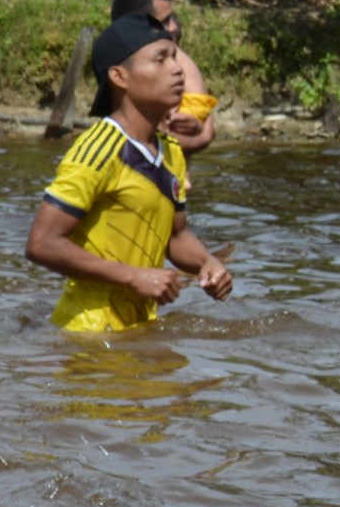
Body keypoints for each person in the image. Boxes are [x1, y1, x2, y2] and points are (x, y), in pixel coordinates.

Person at [26, 18, 235, 330]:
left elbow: (176, 236)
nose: (177, 69)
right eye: (160, 59)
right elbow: (41, 243)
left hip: (138, 329)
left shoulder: (171, 151)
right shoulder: (99, 148)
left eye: (175, 58)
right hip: (88, 334)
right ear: (119, 76)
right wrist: (133, 276)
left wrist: (206, 262)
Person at [109, 0, 217, 154]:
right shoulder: (139, 75)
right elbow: (143, 142)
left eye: (172, 19)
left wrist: (201, 126)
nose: (174, 27)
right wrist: (203, 136)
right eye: (166, 21)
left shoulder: (172, 62)